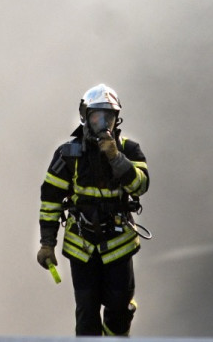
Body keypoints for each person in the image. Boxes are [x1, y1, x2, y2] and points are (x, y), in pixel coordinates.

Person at [37, 83, 150, 336]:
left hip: (119, 244)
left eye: (108, 117)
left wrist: (116, 158)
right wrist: (47, 244)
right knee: (87, 313)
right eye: (96, 116)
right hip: (82, 246)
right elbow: (50, 200)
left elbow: (141, 186)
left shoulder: (129, 150)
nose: (102, 123)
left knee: (120, 310)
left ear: (116, 119)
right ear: (85, 116)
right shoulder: (68, 154)